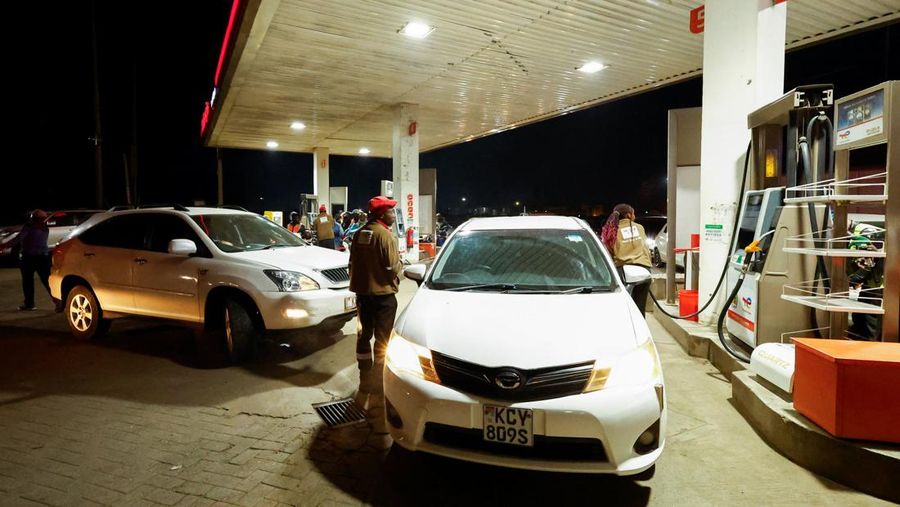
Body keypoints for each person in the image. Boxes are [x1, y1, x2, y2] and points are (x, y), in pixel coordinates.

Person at [349, 196, 402, 371]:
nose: (394, 215)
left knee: (364, 336)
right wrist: (401, 264)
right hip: (383, 297)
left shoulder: (358, 234)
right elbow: (393, 268)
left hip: (363, 296)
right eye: (391, 211)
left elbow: (352, 264)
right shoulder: (385, 236)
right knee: (383, 339)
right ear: (381, 214)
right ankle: (379, 378)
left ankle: (364, 376)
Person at [601, 203, 653, 316]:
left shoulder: (611, 231)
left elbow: (609, 254)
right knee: (640, 309)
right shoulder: (640, 227)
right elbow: (645, 249)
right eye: (634, 213)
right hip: (644, 270)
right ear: (629, 215)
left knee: (623, 308)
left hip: (622, 272)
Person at [15, 210, 52, 311]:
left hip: (28, 257)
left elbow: (19, 238)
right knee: (47, 281)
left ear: (33, 218)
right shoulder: (45, 228)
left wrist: (7, 245)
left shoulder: (29, 226)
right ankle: (58, 302)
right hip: (43, 257)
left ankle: (30, 304)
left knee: (28, 282)